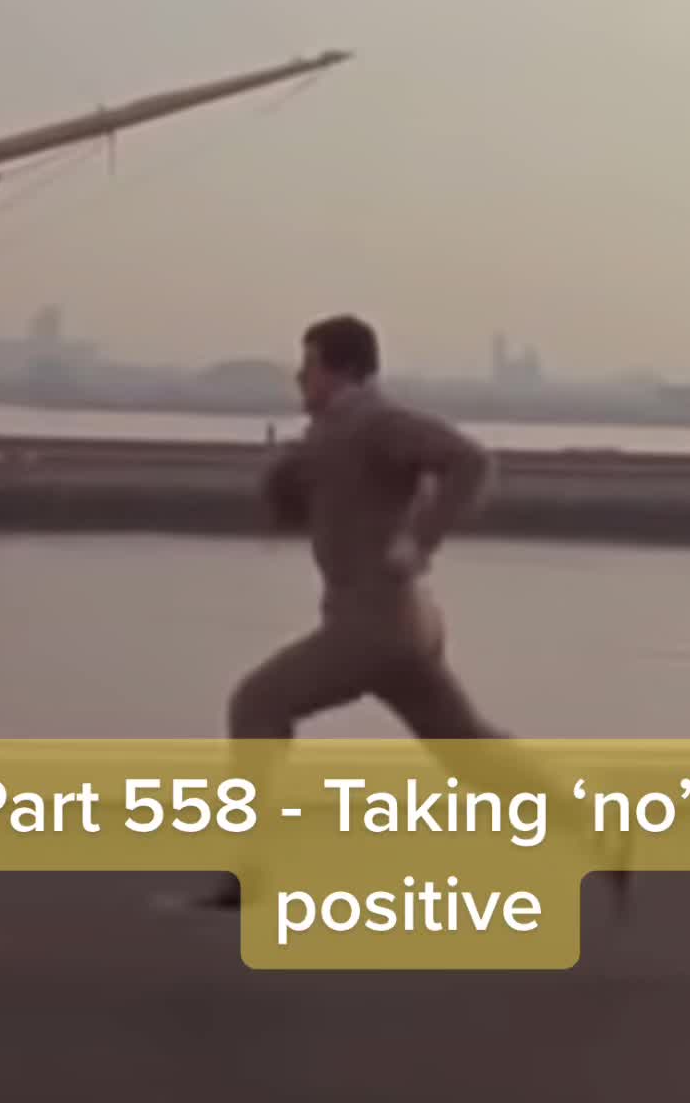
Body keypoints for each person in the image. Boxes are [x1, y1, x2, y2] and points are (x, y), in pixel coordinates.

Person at [193, 313, 508, 910]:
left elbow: (471, 462)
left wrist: (419, 541)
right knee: (466, 749)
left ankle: (249, 870)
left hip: (374, 623)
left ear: (341, 371)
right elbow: (321, 498)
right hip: (399, 621)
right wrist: (286, 482)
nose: (299, 378)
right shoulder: (336, 432)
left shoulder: (376, 422)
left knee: (256, 704)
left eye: (308, 366)